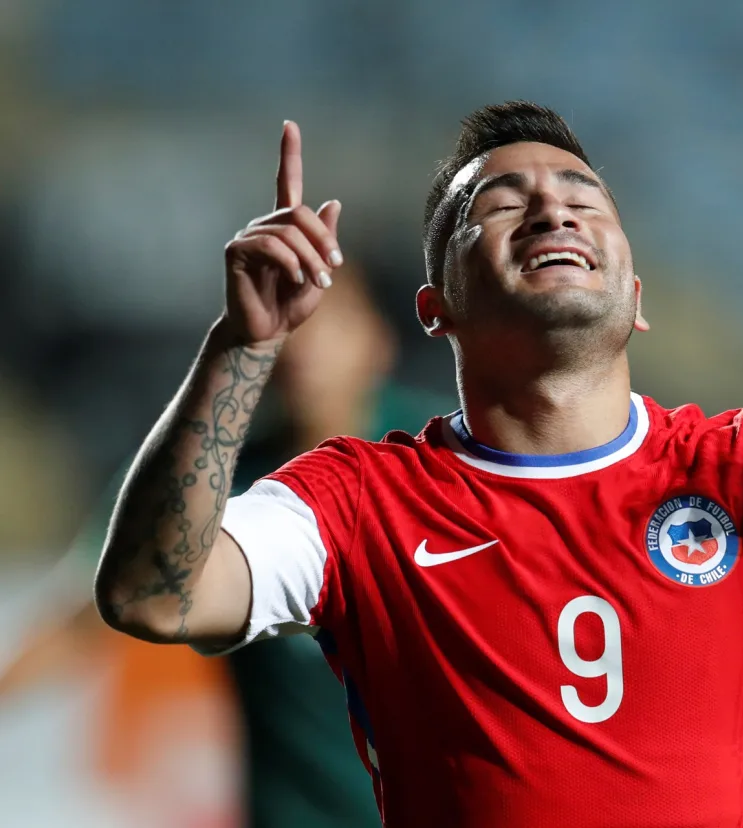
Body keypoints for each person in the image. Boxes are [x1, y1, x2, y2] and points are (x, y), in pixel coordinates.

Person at [93, 103, 743, 827]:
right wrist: (241, 348)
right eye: (501, 202)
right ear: (435, 308)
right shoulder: (359, 499)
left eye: (583, 195)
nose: (554, 210)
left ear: (637, 294)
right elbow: (154, 595)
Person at [5, 267, 447, 827]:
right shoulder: (204, 482)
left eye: (326, 322)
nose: (302, 345)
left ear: (377, 339)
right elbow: (82, 620)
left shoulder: (448, 459)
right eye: (286, 326)